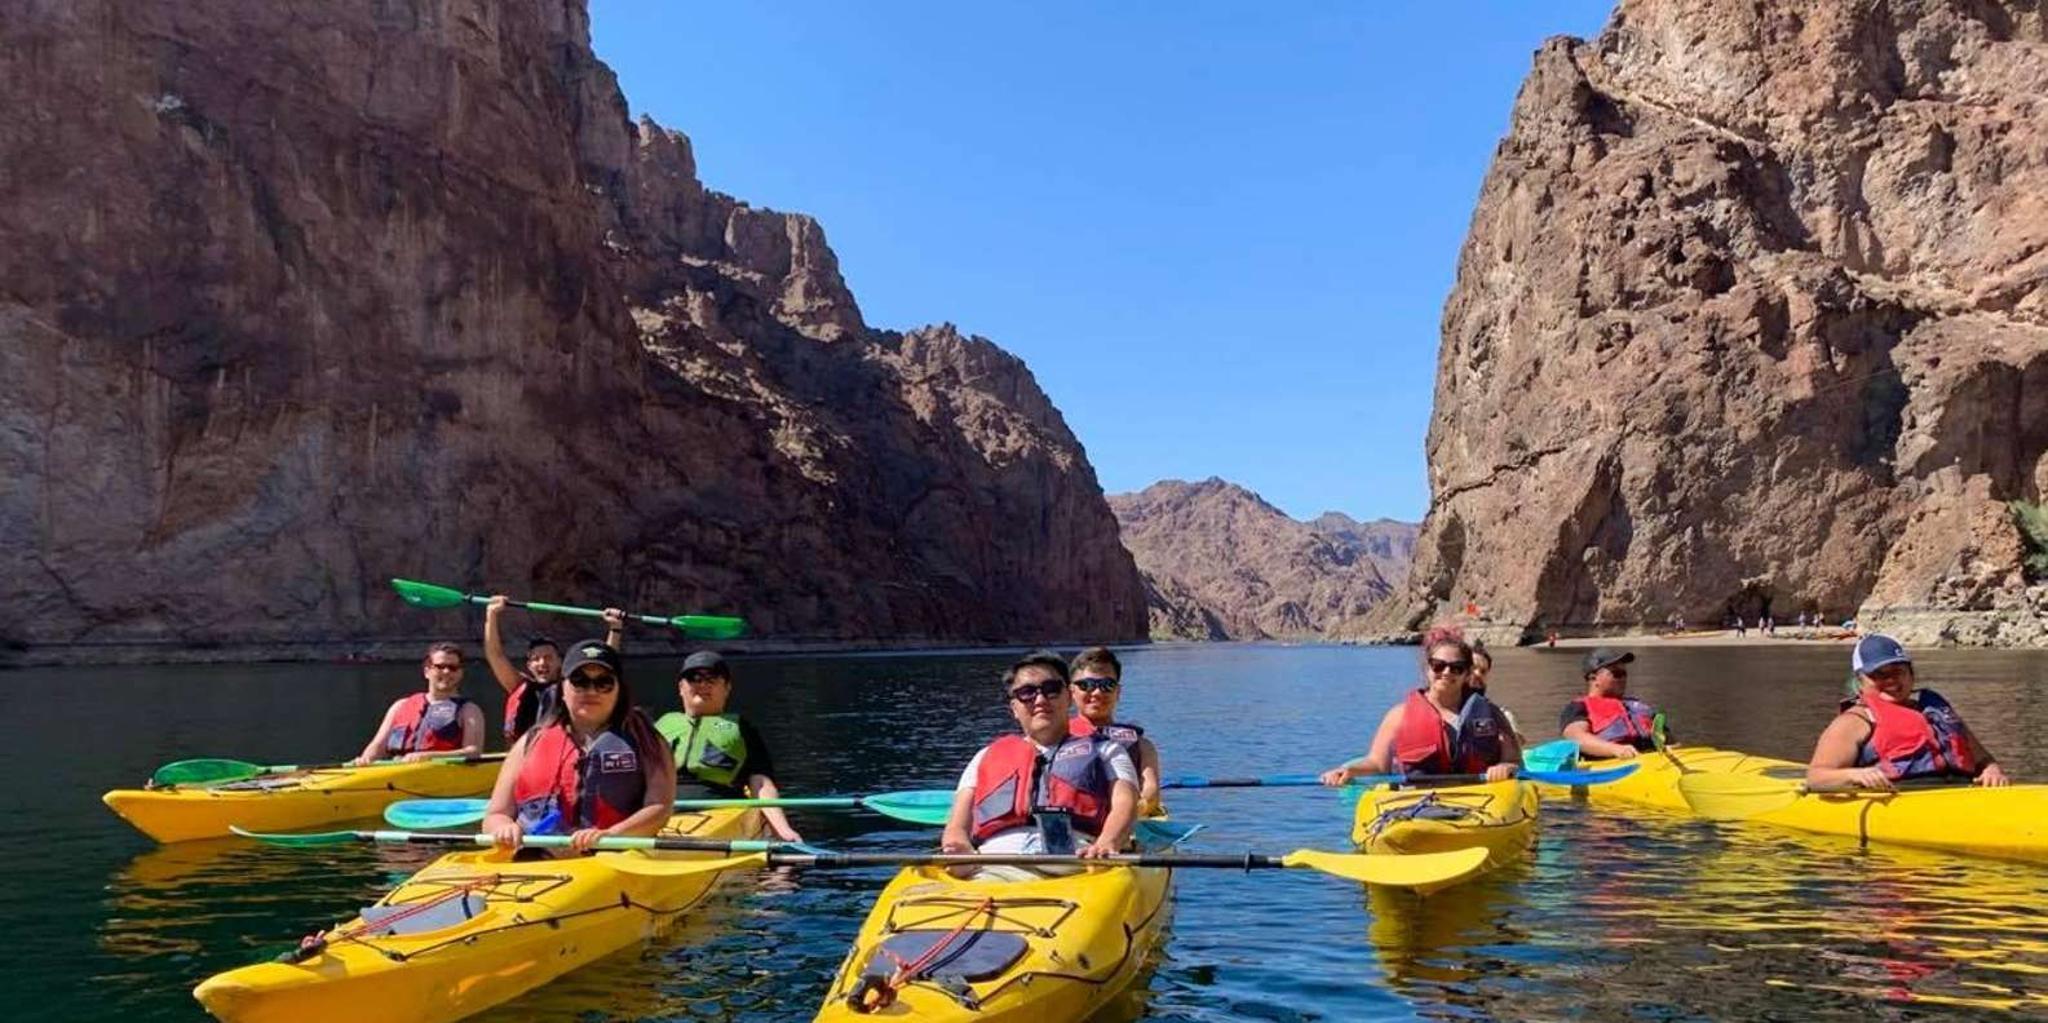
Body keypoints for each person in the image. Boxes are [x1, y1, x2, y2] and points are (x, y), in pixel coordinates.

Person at [940, 651, 1139, 863]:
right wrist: (958, 848)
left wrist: (1108, 842)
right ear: (1014, 708)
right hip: (994, 860)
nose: (1041, 700)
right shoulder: (984, 757)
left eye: (1051, 690)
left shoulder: (1107, 751)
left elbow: (1125, 804)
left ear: (1069, 697)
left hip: (1078, 860)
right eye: (1027, 693)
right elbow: (957, 826)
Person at [482, 640, 676, 853]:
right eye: (579, 681)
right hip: (532, 854)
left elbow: (660, 807)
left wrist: (612, 834)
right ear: (563, 688)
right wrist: (503, 828)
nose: (591, 691)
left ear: (619, 689)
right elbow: (496, 814)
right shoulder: (531, 740)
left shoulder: (646, 739)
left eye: (604, 683)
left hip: (611, 853)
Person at [1319, 626, 1522, 786]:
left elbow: (1514, 760)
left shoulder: (1492, 714)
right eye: (1438, 665)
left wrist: (1505, 766)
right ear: (1427, 668)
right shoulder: (1398, 716)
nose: (1447, 672)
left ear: (1467, 674)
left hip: (1481, 801)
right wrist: (1350, 771)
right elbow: (1377, 763)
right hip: (1420, 801)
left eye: (1457, 668)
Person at [1806, 635, 2011, 790]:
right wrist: (1855, 775)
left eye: (1899, 672)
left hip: (1960, 792)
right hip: (1901, 796)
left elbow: (1983, 759)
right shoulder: (1855, 721)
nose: (1891, 681)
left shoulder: (1936, 712)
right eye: (1879, 675)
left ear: (1911, 675)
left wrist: (1991, 770)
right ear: (1860, 681)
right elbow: (1816, 778)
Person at [654, 651, 802, 842]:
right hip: (660, 808)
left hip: (719, 807)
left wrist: (783, 830)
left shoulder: (742, 728)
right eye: (694, 678)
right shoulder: (658, 727)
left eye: (712, 678)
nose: (703, 684)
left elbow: (760, 782)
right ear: (681, 687)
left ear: (727, 688)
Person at [484, 595, 625, 745]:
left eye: (548, 657)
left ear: (560, 662)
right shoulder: (518, 685)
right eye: (536, 659)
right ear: (529, 665)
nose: (542, 663)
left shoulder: (573, 688)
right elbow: (495, 655)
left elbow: (604, 662)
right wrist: (491, 615)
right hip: (523, 756)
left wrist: (615, 628)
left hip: (556, 752)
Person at [353, 642, 489, 764]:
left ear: (460, 673)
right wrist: (366, 760)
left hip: (439, 776)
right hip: (396, 772)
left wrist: (429, 756)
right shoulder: (400, 706)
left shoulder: (469, 711)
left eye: (453, 668)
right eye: (440, 667)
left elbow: (473, 752)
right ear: (427, 671)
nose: (447, 672)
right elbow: (378, 746)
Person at [1066, 647, 1163, 814]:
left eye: (1107, 685)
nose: (1096, 693)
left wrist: (1123, 815)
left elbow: (1151, 790)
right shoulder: (1054, 738)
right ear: (1071, 692)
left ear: (1118, 692)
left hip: (1126, 822)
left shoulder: (1142, 745)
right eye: (1086, 685)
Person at [1559, 648, 1662, 760]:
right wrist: (1615, 749)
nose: (1623, 679)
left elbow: (1665, 736)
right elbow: (1576, 737)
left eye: (1624, 674)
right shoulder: (1579, 707)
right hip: (1612, 764)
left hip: (1653, 760)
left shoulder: (1638, 706)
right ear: (1594, 679)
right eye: (1616, 674)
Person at [1466, 640, 1525, 743]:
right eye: (1473, 668)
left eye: (1483, 671)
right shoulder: (1443, 709)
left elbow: (1517, 747)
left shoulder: (1501, 715)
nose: (1477, 674)